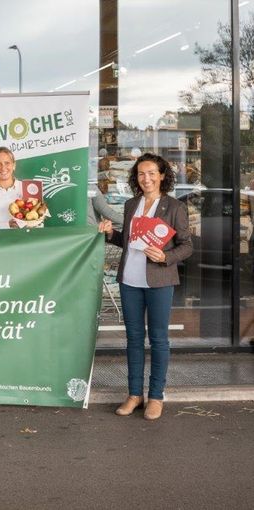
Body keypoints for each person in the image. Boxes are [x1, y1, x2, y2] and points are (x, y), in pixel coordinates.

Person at [98, 153, 193, 420]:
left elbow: (187, 246)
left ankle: (156, 396)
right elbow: (127, 242)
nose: (146, 178)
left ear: (162, 175)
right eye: (141, 174)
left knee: (159, 339)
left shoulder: (174, 207)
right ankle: (134, 394)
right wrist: (109, 234)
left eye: (152, 173)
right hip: (130, 281)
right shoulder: (131, 205)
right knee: (133, 339)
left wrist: (166, 257)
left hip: (160, 281)